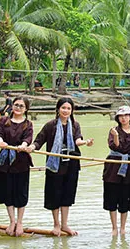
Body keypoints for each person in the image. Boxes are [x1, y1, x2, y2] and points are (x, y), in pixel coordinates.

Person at [29, 97, 94, 236]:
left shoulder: (75, 125)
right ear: (58, 109)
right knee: (54, 194)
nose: (65, 111)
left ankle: (65, 224)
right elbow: (39, 141)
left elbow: (77, 140)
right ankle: (56, 224)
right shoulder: (50, 125)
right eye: (63, 108)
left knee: (67, 194)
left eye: (68, 108)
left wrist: (86, 142)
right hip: (55, 164)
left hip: (71, 164)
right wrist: (31, 147)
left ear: (72, 111)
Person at [0, 96, 34, 236]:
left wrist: (23, 146)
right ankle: (11, 221)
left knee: (21, 192)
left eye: (21, 106)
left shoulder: (28, 124)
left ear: (26, 109)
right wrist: (0, 141)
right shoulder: (4, 121)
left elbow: (28, 138)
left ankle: (20, 222)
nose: (18, 108)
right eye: (16, 105)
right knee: (7, 191)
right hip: (5, 161)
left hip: (21, 161)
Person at [104, 106, 130, 236]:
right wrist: (116, 136)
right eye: (121, 116)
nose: (124, 118)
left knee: (125, 197)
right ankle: (114, 227)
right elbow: (116, 147)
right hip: (113, 166)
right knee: (112, 197)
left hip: (128, 167)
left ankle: (123, 227)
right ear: (118, 118)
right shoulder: (113, 131)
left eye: (126, 115)